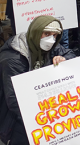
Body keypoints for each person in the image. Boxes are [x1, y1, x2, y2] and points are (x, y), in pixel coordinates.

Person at [0, 16, 74, 145]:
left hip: (43, 103)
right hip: (15, 115)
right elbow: (14, 100)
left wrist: (64, 59)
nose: (51, 39)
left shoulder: (51, 46)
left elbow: (70, 54)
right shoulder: (13, 58)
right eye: (46, 34)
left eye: (55, 35)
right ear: (36, 32)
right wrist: (46, 118)